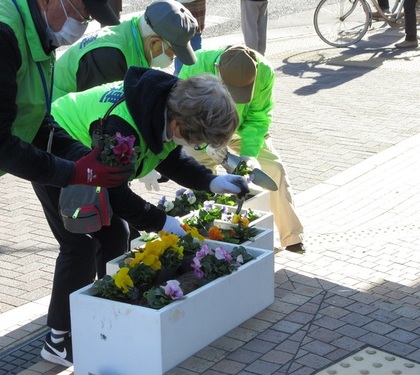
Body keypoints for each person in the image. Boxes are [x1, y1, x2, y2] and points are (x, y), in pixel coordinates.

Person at [0, 0, 132, 374]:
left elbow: (36, 124)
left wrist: (88, 158)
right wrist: (74, 173)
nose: (82, 22)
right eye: (82, 10)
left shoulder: (34, 36)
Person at [34, 66, 249, 367]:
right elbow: (117, 194)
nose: (196, 147)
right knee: (79, 245)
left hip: (91, 161)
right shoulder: (123, 129)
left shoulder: (165, 105)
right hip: (57, 150)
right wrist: (166, 224)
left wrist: (212, 182)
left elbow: (170, 158)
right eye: (197, 141)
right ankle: (58, 339)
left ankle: (102, 311)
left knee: (115, 234)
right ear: (180, 124)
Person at [178, 44, 306, 254]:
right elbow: (181, 114)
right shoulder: (195, 65)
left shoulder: (263, 70)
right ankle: (205, 238)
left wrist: (248, 155)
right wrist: (203, 142)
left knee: (274, 168)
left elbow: (258, 117)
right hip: (203, 131)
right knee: (199, 175)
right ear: (217, 69)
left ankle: (291, 236)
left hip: (243, 130)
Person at [52, 0, 198, 100]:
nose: (173, 58)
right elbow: (101, 114)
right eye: (173, 52)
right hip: (55, 117)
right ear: (154, 43)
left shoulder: (135, 34)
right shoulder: (110, 56)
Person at [174, 0, 207, 75]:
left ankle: (179, 80)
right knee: (193, 57)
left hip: (189, 17)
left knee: (191, 56)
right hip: (182, 17)